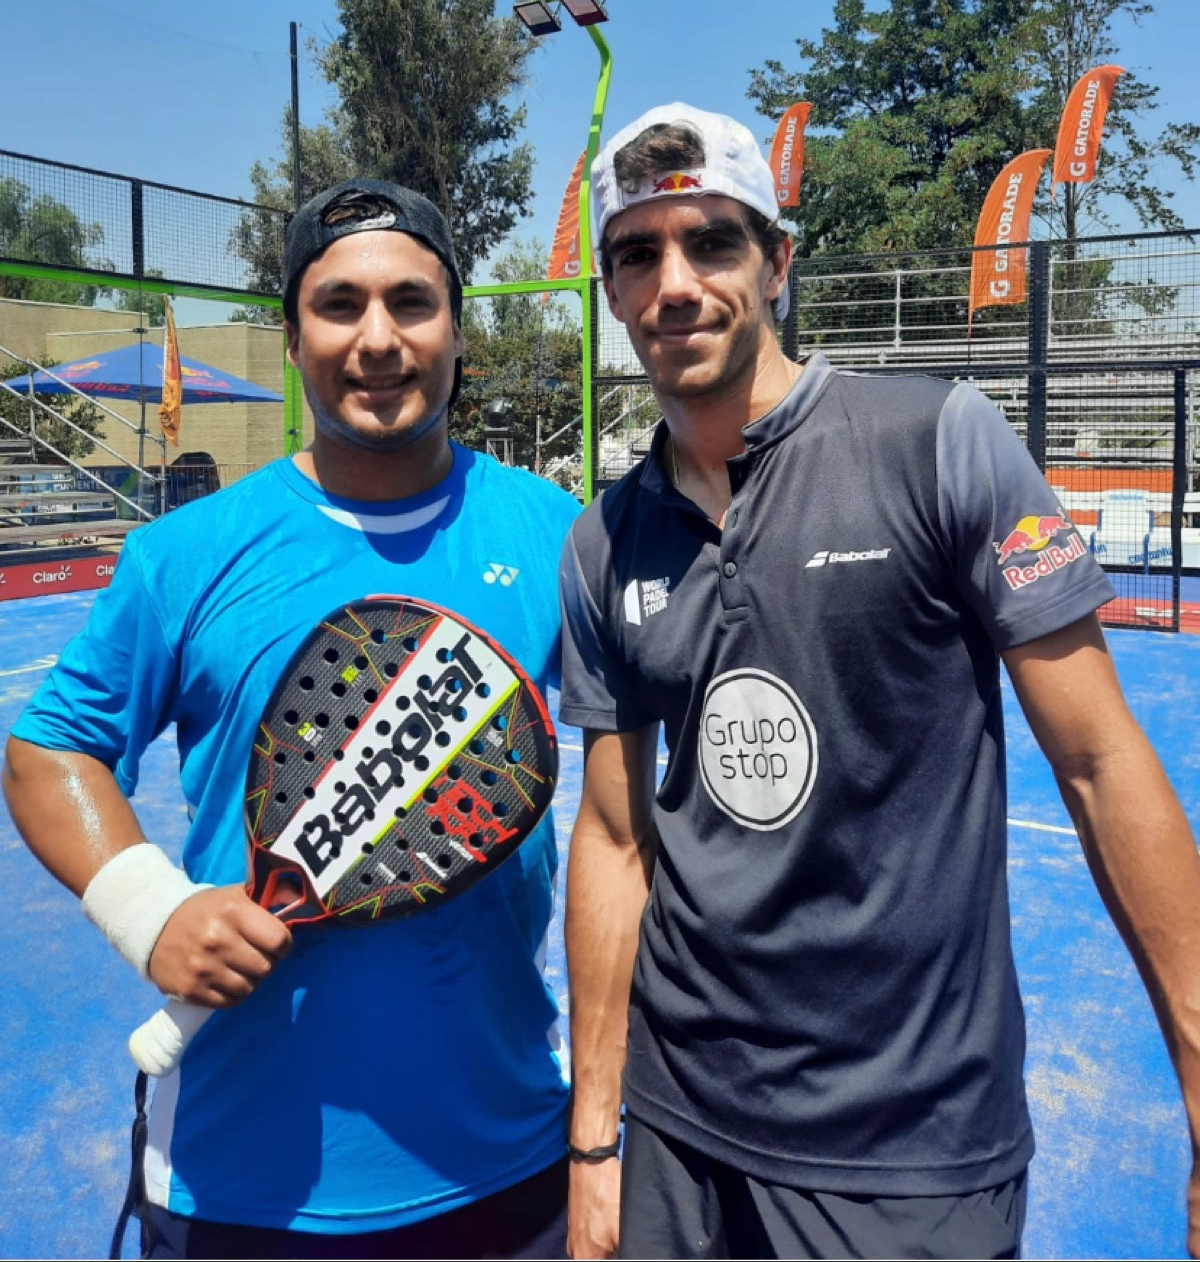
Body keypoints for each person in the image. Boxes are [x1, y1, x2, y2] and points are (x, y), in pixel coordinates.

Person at [558, 104, 1200, 1261]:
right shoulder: (605, 540)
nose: (676, 283)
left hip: (911, 1146)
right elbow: (611, 837)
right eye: (638, 253)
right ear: (611, 290)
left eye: (712, 241)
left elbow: (1102, 763)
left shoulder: (939, 443)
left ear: (777, 262)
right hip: (677, 1126)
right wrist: (595, 1137)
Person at [4, 180, 579, 1259]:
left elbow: (631, 831)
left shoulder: (556, 534)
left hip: (512, 1160)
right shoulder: (185, 553)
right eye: (339, 304)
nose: (378, 338)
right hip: (241, 1186)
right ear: (293, 335)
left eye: (412, 302)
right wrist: (150, 911)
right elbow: (49, 748)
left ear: (459, 331)